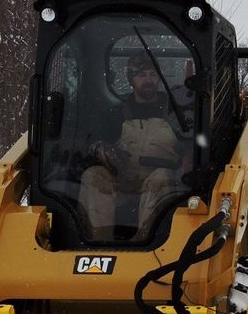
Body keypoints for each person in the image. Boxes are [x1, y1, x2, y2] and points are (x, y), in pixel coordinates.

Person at [78, 53, 187, 241]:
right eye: (141, 75)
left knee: (161, 177)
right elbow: (92, 143)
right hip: (123, 181)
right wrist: (102, 150)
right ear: (130, 79)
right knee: (93, 175)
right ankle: (97, 242)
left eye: (153, 75)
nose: (148, 80)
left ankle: (145, 243)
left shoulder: (175, 113)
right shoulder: (116, 113)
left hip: (161, 185)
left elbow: (190, 146)